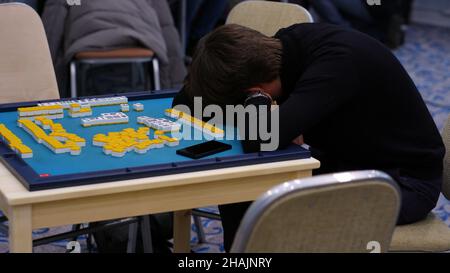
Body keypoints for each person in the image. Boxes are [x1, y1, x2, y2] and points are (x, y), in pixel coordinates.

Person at [173, 23, 445, 252]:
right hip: (348, 161)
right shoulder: (278, 48)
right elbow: (183, 103)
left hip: (401, 183)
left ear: (256, 91)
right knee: (242, 185)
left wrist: (256, 105)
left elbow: (263, 136)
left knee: (276, 210)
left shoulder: (337, 64)